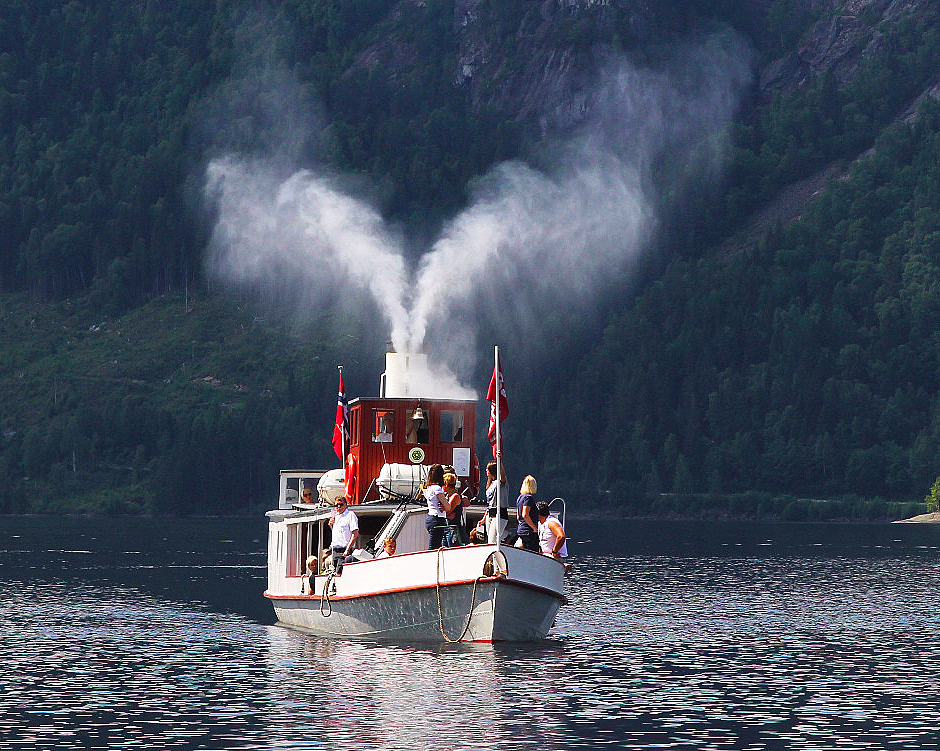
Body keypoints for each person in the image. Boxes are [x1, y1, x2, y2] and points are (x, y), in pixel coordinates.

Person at [328, 497, 359, 574]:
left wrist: (347, 549)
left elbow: (355, 533)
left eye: (341, 504)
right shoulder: (335, 517)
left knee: (341, 573)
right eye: (336, 505)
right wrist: (331, 525)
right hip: (334, 550)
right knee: (334, 573)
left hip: (344, 550)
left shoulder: (350, 515)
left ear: (346, 505)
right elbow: (338, 533)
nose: (338, 506)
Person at [424, 464, 450, 549]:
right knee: (434, 547)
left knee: (434, 544)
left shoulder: (429, 488)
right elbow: (448, 507)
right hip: (437, 518)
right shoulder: (437, 488)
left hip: (430, 517)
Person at [535, 501, 569, 567]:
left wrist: (554, 552)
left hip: (555, 558)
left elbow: (561, 537)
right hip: (545, 556)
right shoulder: (540, 523)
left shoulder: (551, 522)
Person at [484, 460, 509, 544]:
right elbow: (489, 503)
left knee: (492, 540)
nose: (486, 470)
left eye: (488, 469)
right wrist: (484, 518)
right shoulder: (490, 484)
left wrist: (500, 462)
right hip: (490, 513)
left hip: (499, 513)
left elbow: (503, 478)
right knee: (490, 539)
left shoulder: (500, 483)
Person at [515, 475, 540, 551]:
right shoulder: (528, 498)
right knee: (533, 552)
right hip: (528, 531)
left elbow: (518, 516)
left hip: (521, 529)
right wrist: (534, 528)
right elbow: (525, 515)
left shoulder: (520, 498)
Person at [443, 472, 466, 546]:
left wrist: (444, 513)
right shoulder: (447, 495)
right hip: (447, 527)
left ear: (446, 484)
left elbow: (447, 511)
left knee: (451, 548)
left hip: (453, 529)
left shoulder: (455, 496)